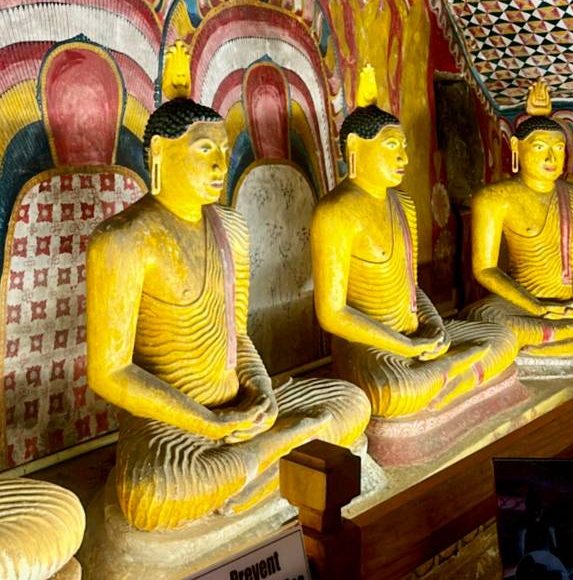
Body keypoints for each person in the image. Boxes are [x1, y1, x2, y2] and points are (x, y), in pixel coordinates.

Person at [86, 42, 370, 531]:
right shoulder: (122, 240)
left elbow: (238, 335)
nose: (220, 165)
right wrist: (208, 424)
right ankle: (279, 455)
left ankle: (257, 464)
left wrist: (262, 393)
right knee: (151, 494)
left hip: (237, 404)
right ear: (159, 154)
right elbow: (109, 373)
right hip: (173, 427)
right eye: (204, 152)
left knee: (353, 403)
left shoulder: (231, 228)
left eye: (223, 151)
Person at [310, 65, 517, 418]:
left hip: (413, 337)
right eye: (391, 147)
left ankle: (443, 373)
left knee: (503, 340)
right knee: (395, 391)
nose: (404, 158)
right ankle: (447, 376)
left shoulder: (402, 202)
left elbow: (411, 285)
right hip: (369, 348)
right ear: (356, 147)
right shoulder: (334, 212)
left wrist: (433, 327)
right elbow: (331, 313)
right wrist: (403, 345)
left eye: (403, 147)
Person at [465, 81, 573, 355]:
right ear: (516, 147)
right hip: (522, 307)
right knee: (484, 319)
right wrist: (536, 307)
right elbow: (485, 269)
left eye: (558, 148)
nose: (551, 157)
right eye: (539, 147)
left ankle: (561, 337)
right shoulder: (493, 198)